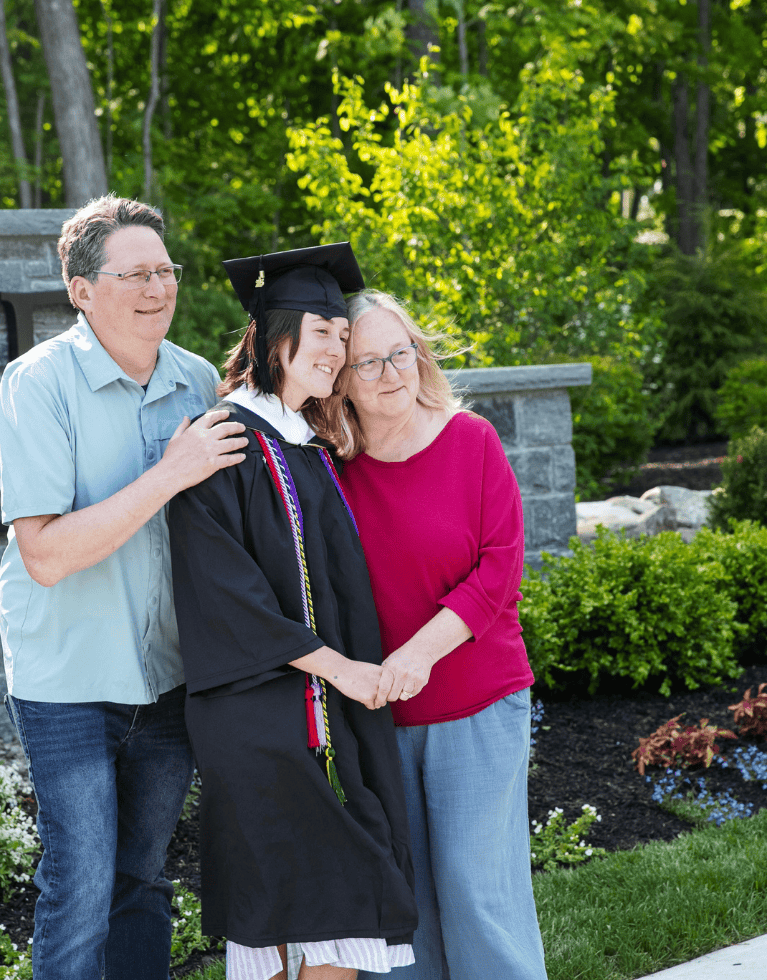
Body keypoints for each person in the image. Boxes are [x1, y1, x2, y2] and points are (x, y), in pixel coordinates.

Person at [0, 195, 249, 980]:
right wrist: (170, 474)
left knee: (144, 880)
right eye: (133, 273)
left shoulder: (199, 381)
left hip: (169, 678)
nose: (157, 288)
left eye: (165, 270)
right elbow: (46, 554)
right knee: (80, 887)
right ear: (80, 290)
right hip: (68, 682)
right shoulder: (36, 385)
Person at [167, 244, 418, 980]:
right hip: (264, 718)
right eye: (322, 334)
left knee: (314, 912)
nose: (337, 352)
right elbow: (228, 599)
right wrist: (340, 671)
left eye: (343, 337)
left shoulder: (308, 444)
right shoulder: (225, 443)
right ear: (277, 337)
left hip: (321, 707)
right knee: (311, 905)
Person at [337, 290, 548, 980]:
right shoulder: (330, 468)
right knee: (405, 905)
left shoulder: (470, 439)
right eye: (367, 363)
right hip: (377, 714)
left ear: (419, 355)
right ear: (340, 379)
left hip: (477, 702)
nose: (390, 372)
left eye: (400, 353)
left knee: (476, 892)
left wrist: (417, 655)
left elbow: (499, 569)